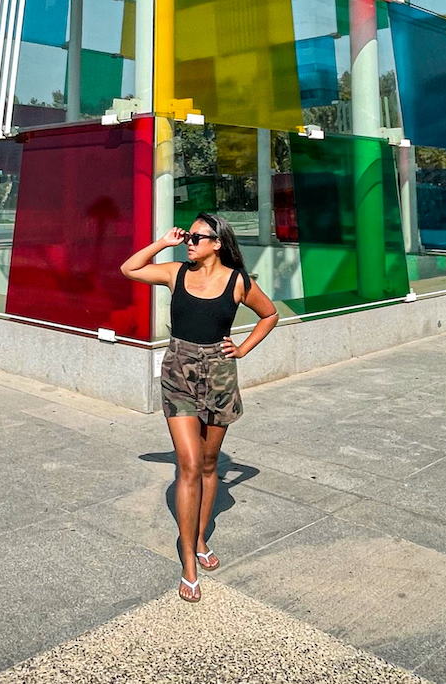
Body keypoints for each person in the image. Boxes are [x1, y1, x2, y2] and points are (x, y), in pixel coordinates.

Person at [121, 214, 278, 603]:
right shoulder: (176, 272)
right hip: (178, 371)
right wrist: (163, 241)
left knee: (210, 465)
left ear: (217, 243)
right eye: (188, 235)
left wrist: (242, 348)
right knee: (188, 464)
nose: (189, 241)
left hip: (220, 375)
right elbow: (130, 268)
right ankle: (189, 559)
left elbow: (270, 314)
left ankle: (201, 536)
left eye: (196, 237)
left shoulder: (239, 282)